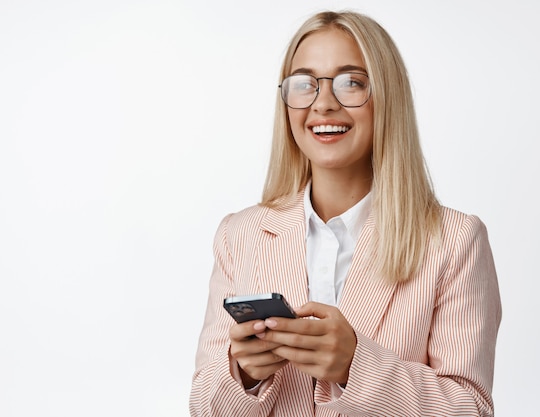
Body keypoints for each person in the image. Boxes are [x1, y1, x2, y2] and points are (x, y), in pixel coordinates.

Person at [189, 10, 501, 417]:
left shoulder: (455, 241)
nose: (323, 104)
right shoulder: (240, 234)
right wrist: (242, 373)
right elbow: (201, 405)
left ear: (387, 97)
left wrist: (357, 366)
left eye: (351, 83)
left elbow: (471, 409)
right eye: (305, 85)